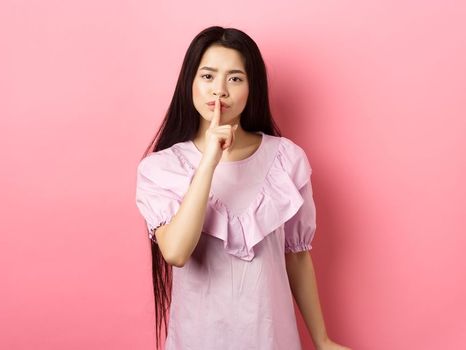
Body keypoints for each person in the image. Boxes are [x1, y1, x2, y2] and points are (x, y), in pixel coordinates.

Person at [134, 26, 350, 350]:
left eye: (234, 78)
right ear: (189, 83)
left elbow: (298, 256)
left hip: (271, 340)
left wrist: (322, 339)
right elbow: (176, 252)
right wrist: (208, 161)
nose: (219, 91)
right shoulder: (161, 168)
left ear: (252, 88)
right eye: (207, 76)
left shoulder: (286, 159)